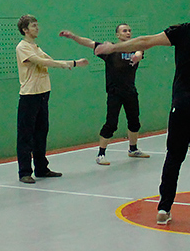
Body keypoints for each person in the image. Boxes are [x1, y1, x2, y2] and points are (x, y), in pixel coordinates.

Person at [95, 0, 190, 227]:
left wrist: (114, 48)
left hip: (182, 106)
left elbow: (145, 41)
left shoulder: (181, 31)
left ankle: (163, 209)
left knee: (173, 158)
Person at [58, 24, 150, 165]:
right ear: (118, 35)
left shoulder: (135, 48)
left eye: (129, 31)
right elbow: (89, 42)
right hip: (114, 93)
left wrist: (137, 56)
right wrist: (73, 36)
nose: (128, 33)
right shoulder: (109, 50)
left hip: (130, 92)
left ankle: (133, 149)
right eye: (124, 31)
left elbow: (139, 52)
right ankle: (101, 154)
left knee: (134, 122)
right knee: (111, 124)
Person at [15, 15, 88, 184]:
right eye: (33, 26)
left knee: (41, 133)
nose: (37, 28)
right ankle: (25, 172)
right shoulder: (22, 47)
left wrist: (66, 63)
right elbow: (41, 62)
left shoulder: (35, 46)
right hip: (29, 96)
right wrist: (72, 63)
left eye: (37, 25)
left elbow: (48, 60)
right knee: (26, 135)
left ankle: (41, 168)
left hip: (43, 94)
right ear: (25, 30)